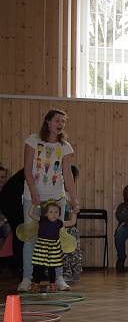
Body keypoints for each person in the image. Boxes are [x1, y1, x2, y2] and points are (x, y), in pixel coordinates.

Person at [19, 109, 80, 292]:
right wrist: (33, 192)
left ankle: (59, 278)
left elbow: (67, 175)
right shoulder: (33, 141)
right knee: (30, 237)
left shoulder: (65, 147)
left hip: (56, 197)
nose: (60, 124)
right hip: (34, 197)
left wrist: (74, 199)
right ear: (48, 122)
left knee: (57, 238)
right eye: (57, 121)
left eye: (63, 121)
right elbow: (28, 170)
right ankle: (27, 279)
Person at [28, 200, 77, 292]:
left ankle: (52, 285)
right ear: (46, 214)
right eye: (51, 212)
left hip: (54, 247)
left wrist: (74, 211)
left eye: (56, 212)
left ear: (59, 214)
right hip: (41, 247)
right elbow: (30, 214)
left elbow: (72, 222)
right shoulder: (42, 219)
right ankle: (36, 284)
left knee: (52, 267)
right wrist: (34, 204)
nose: (54, 214)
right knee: (39, 267)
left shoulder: (59, 223)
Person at [62, 165, 82, 283]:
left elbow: (72, 219)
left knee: (73, 233)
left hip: (67, 226)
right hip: (54, 228)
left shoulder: (71, 197)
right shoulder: (53, 195)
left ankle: (75, 269)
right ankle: (64, 271)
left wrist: (72, 204)